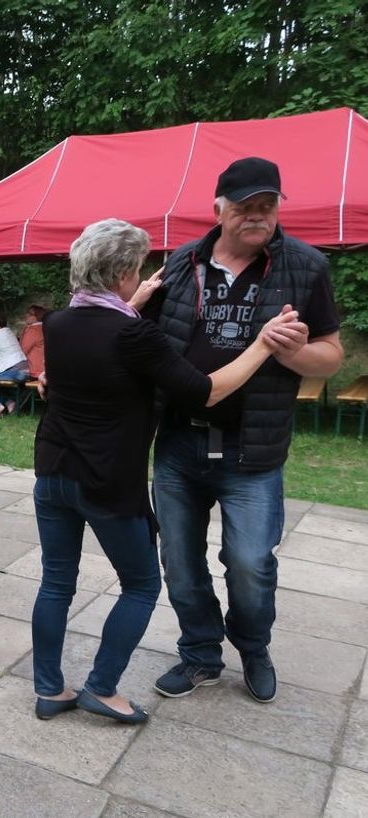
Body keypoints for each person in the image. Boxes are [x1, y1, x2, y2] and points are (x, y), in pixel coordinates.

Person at [31, 218, 302, 724]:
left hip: (52, 474)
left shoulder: (59, 323)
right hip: (105, 483)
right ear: (123, 275)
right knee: (139, 586)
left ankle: (49, 688)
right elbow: (207, 390)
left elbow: (103, 329)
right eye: (137, 269)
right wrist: (264, 344)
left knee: (55, 583)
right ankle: (101, 687)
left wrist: (138, 298)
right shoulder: (134, 335)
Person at [143, 157, 342, 704]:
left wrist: (296, 351)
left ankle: (254, 648)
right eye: (244, 207)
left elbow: (330, 358)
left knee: (250, 564)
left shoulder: (305, 267)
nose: (257, 217)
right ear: (218, 209)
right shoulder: (182, 264)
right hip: (181, 443)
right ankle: (200, 654)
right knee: (179, 562)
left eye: (267, 206)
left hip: (252, 450)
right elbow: (145, 341)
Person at [20, 304, 47, 378]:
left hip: (35, 370)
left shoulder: (33, 330)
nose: (26, 315)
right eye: (27, 313)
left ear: (37, 316)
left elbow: (22, 351)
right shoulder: (45, 327)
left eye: (30, 314)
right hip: (45, 368)